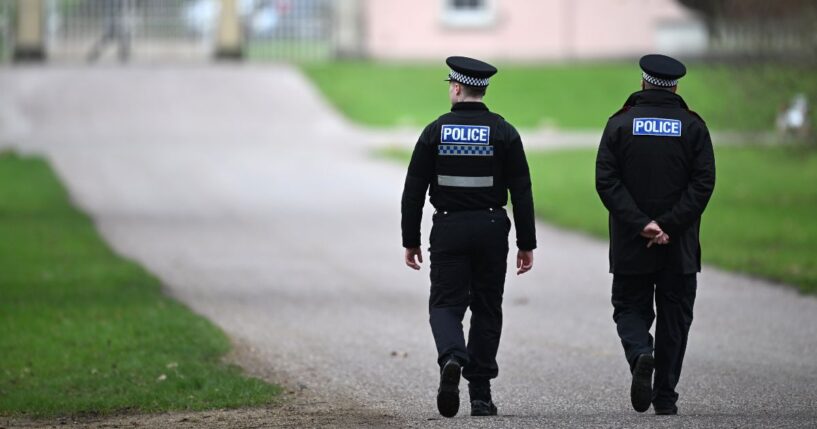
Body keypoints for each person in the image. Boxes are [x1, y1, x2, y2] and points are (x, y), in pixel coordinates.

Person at [401, 56, 536, 418]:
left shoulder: (435, 131)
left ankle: (452, 357)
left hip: (449, 228)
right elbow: (522, 190)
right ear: (483, 89)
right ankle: (480, 394)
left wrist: (410, 239)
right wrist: (527, 243)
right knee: (487, 308)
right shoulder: (504, 132)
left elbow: (413, 190)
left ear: (457, 88)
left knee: (445, 304)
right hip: (492, 228)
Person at [595, 54, 716, 415]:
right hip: (678, 246)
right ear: (675, 86)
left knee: (629, 307)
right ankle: (664, 396)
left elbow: (606, 181)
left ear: (644, 82)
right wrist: (670, 225)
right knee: (675, 319)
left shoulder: (620, 124)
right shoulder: (693, 127)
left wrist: (641, 223)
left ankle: (640, 353)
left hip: (633, 242)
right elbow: (703, 183)